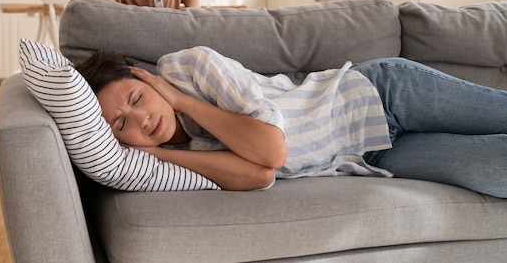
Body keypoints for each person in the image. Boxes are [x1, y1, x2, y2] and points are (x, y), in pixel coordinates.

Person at [75, 46, 507, 197]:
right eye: (119, 125)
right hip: (372, 152)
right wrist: (157, 156)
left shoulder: (190, 67)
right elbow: (260, 174)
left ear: (148, 80)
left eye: (136, 98)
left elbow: (271, 149)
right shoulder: (171, 156)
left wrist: (185, 103)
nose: (141, 119)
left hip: (378, 94)